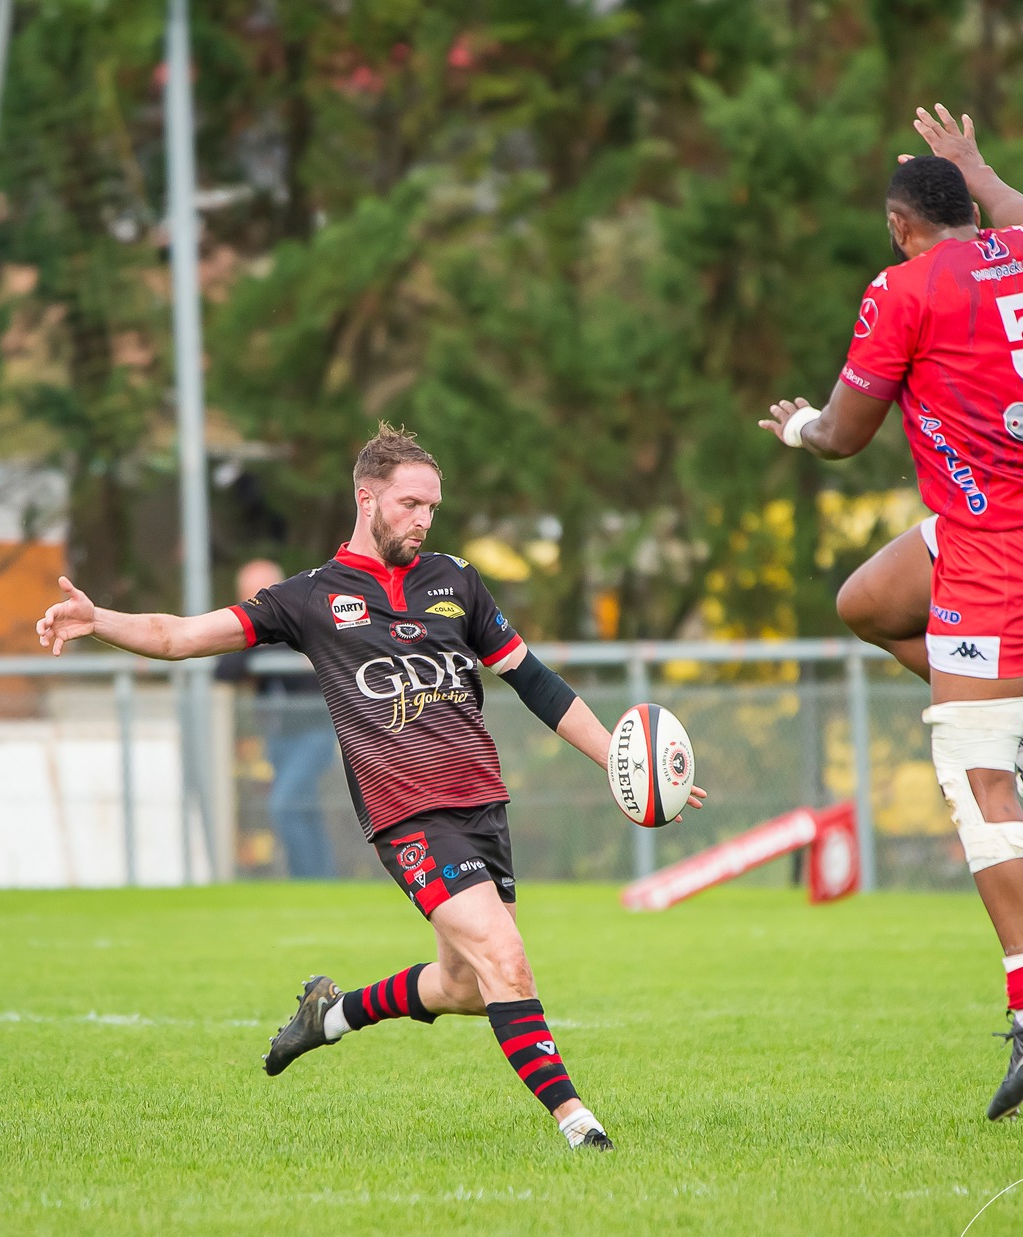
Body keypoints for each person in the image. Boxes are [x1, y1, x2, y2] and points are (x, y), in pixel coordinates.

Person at [39, 424, 704, 1150]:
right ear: (367, 498)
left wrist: (618, 760)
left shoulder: (456, 581)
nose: (423, 519)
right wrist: (98, 619)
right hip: (407, 813)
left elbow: (536, 684)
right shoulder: (311, 598)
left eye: (432, 508)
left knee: (469, 985)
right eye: (411, 503)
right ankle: (581, 1126)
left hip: (482, 801)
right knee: (505, 958)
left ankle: (329, 1015)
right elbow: (177, 636)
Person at [758, 105, 1023, 1120]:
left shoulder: (900, 288)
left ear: (898, 223)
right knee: (864, 601)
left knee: (968, 775)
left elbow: (844, 435)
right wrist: (980, 165)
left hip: (997, 546)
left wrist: (797, 432)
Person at [214, 558, 337, 878]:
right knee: (303, 809)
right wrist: (256, 642)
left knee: (285, 805)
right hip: (279, 738)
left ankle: (308, 881)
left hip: (315, 734)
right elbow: (225, 670)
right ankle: (324, 882)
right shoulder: (257, 636)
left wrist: (260, 644)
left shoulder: (307, 620)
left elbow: (296, 662)